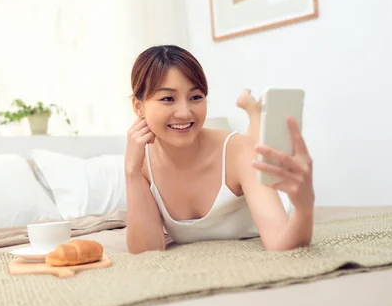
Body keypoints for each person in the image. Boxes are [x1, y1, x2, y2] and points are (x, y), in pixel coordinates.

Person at [125, 45, 314, 254]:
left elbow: (282, 244)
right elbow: (146, 251)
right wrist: (131, 172)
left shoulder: (240, 151)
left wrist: (304, 209)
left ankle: (254, 113)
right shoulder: (141, 164)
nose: (184, 112)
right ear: (138, 106)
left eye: (196, 97)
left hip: (249, 166)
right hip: (238, 154)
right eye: (168, 99)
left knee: (251, 146)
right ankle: (253, 112)